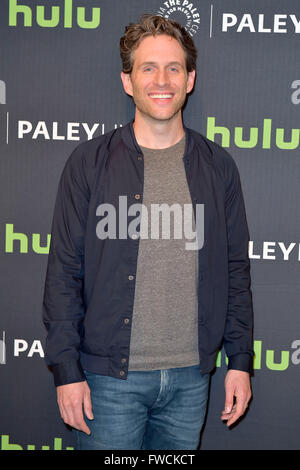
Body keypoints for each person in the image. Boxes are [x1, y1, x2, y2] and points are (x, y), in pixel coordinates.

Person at [43, 14, 254, 450]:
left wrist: (240, 362)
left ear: (190, 78)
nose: (162, 79)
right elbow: (64, 272)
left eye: (174, 67)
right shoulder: (88, 163)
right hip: (106, 382)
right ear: (127, 81)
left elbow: (235, 271)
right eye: (148, 67)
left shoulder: (219, 168)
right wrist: (67, 372)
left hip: (190, 381)